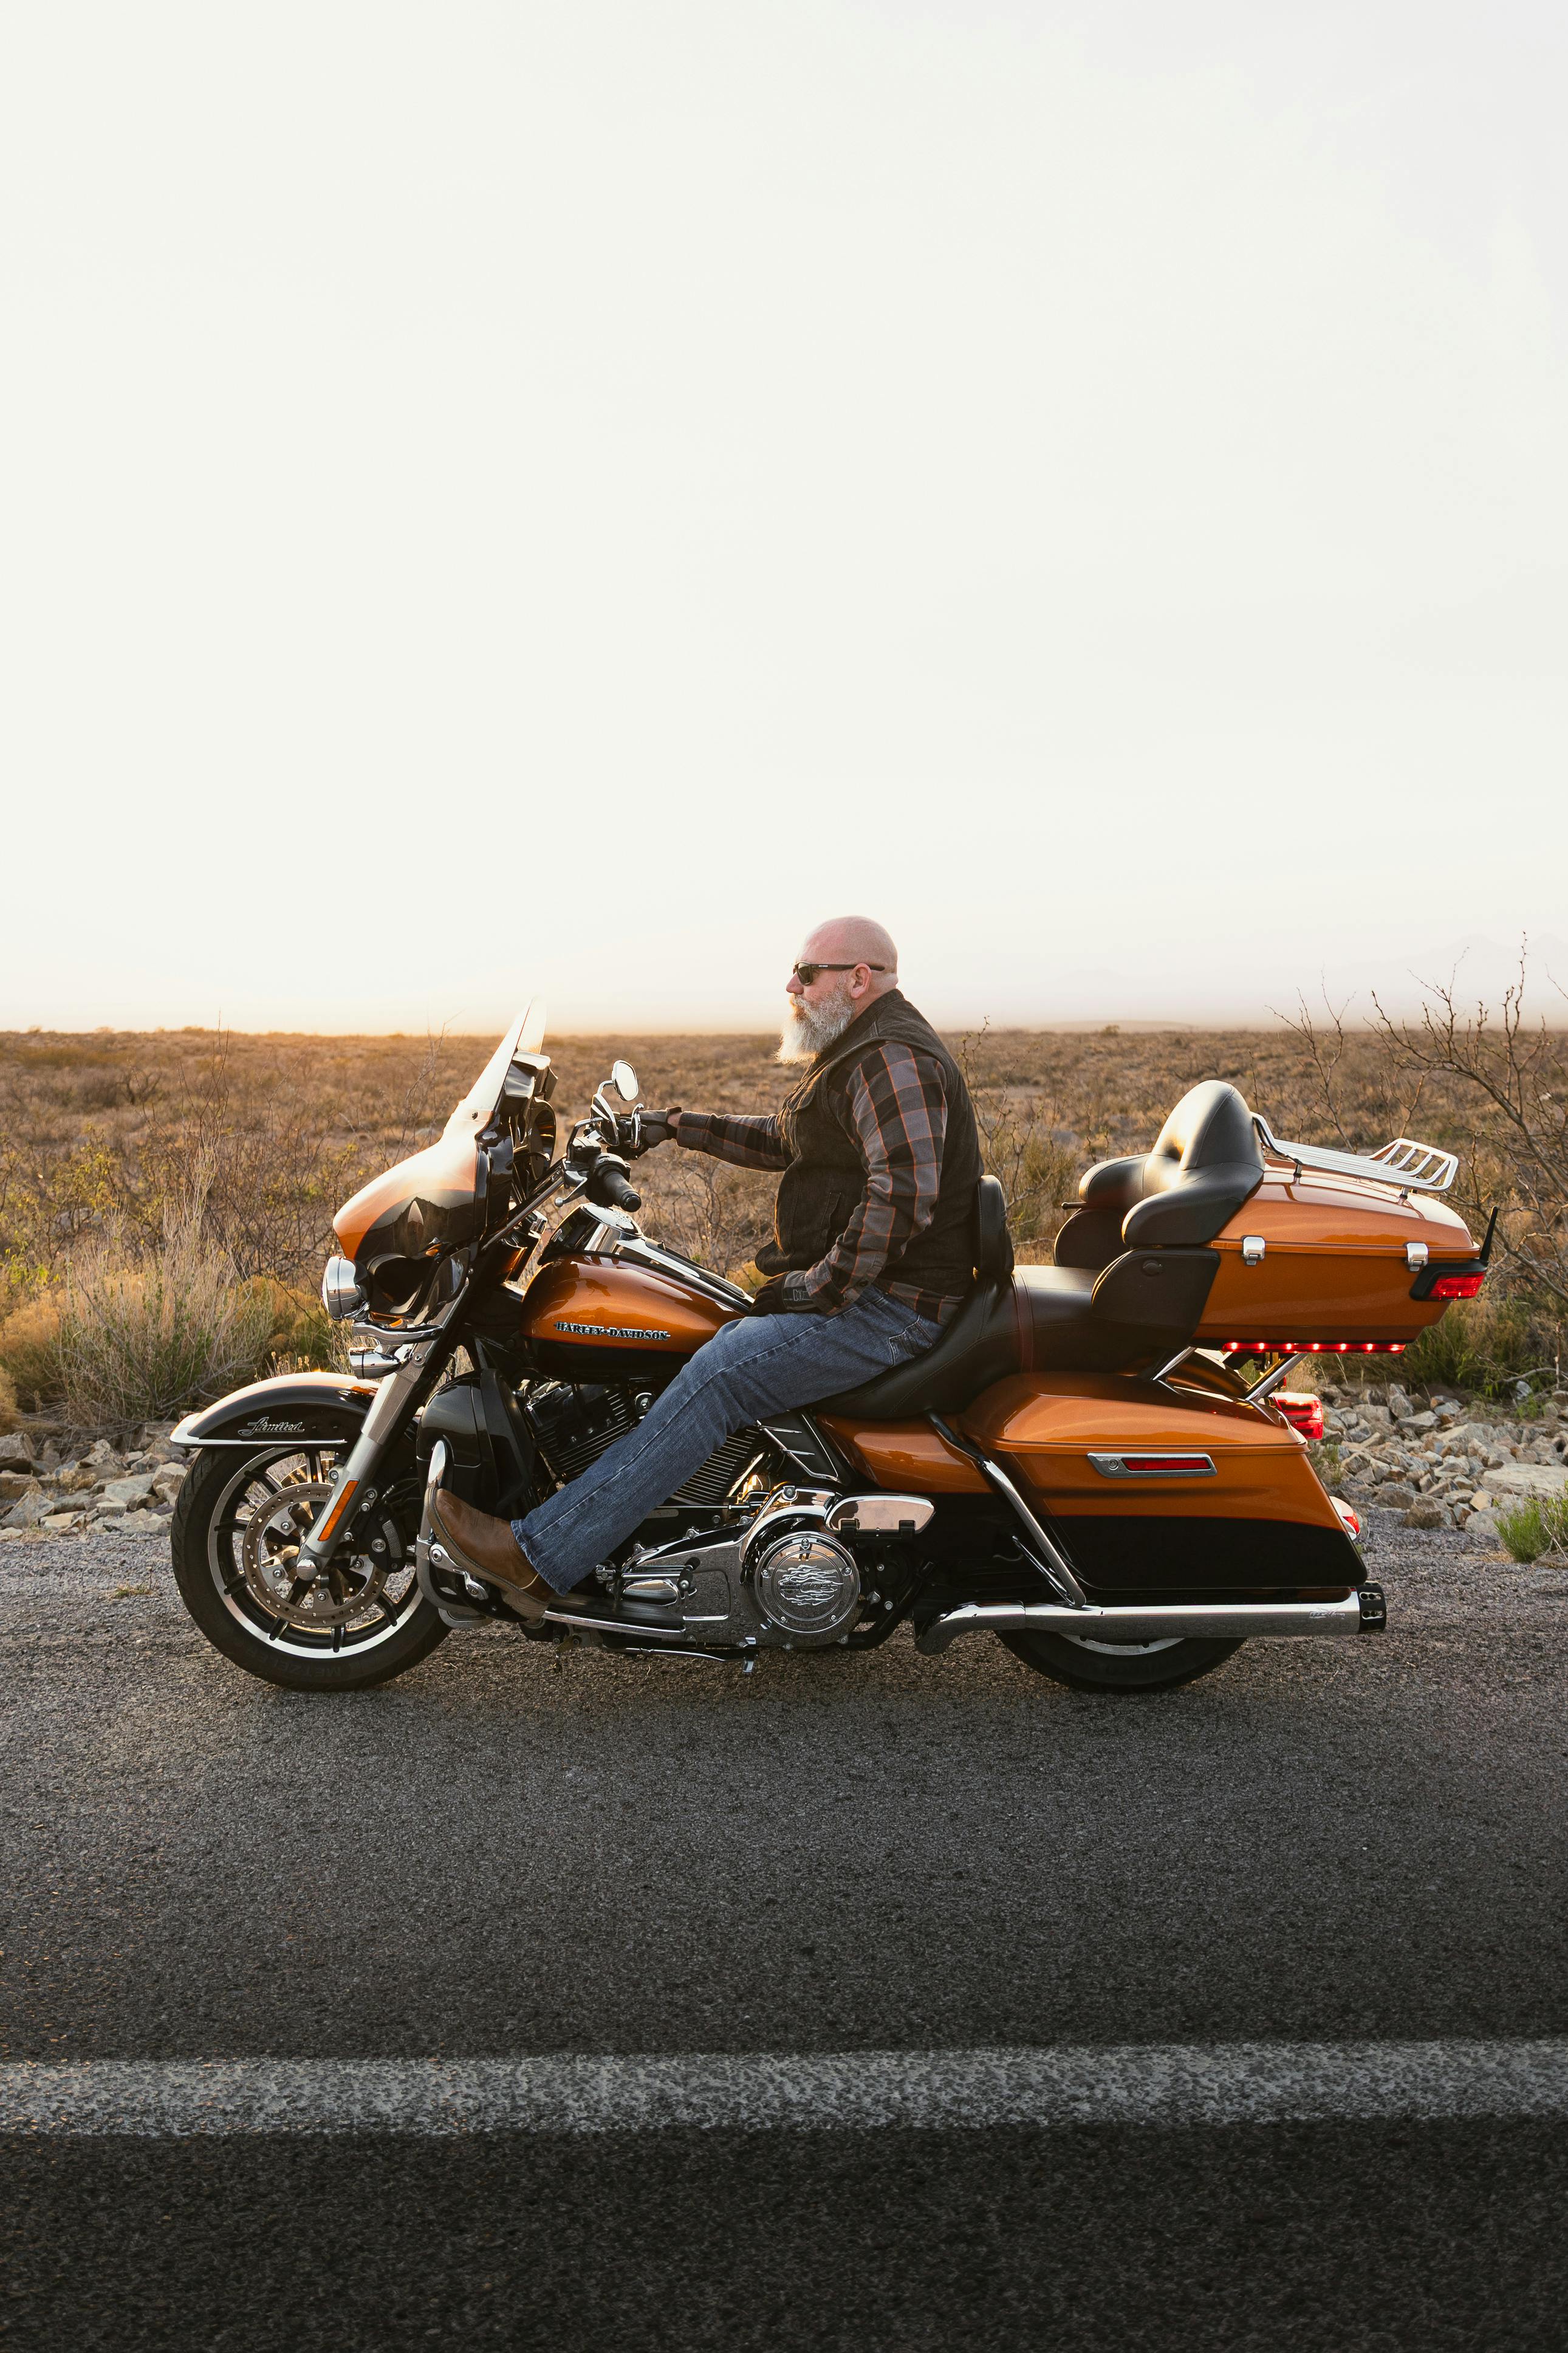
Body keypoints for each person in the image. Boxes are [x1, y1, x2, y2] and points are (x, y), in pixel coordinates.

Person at [428, 916, 983, 1618]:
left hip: (891, 1308)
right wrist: (664, 1126)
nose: (793, 985)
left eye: (806, 973)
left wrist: (817, 1289)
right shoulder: (858, 1051)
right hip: (873, 1294)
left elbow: (902, 1192)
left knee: (719, 1376)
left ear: (859, 979)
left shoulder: (890, 1058)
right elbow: (788, 1138)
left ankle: (541, 1558)